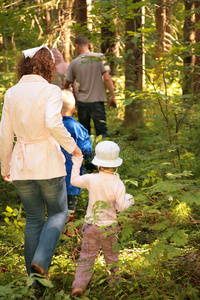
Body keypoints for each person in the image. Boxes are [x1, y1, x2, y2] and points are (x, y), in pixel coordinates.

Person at [0, 45, 82, 289]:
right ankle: (40, 261)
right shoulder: (51, 91)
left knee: (34, 218)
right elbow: (54, 124)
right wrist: (72, 148)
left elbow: (5, 133)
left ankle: (34, 285)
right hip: (47, 162)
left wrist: (5, 166)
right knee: (59, 212)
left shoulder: (12, 92)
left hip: (21, 163)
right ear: (48, 65)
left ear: (24, 65)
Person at [70, 140, 134, 296]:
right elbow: (121, 206)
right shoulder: (117, 183)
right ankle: (115, 283)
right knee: (112, 256)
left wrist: (77, 161)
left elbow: (74, 181)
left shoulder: (92, 179)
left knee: (86, 256)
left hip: (90, 225)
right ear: (116, 164)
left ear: (98, 164)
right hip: (109, 227)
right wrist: (130, 198)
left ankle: (79, 285)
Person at [64, 35, 117, 138]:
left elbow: (67, 84)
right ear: (88, 45)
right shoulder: (100, 57)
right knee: (102, 133)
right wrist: (112, 96)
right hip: (97, 102)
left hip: (82, 103)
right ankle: (104, 152)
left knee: (84, 134)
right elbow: (107, 78)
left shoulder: (74, 63)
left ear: (77, 46)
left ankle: (86, 154)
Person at [60, 89, 92, 235]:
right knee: (70, 198)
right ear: (73, 109)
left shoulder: (50, 126)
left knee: (54, 199)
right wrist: (90, 163)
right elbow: (86, 149)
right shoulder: (79, 128)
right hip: (72, 171)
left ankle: (54, 224)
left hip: (51, 172)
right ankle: (68, 226)